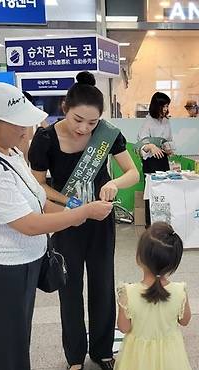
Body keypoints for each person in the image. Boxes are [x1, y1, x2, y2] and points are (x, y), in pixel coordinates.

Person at [0, 81, 113, 370]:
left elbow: (40, 200)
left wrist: (83, 212)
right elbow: (28, 224)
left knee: (19, 341)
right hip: (0, 270)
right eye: (19, 124)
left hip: (26, 262)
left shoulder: (12, 154)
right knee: (6, 347)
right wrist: (82, 214)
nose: (26, 130)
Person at [28, 71, 139, 370]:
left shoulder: (107, 134)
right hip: (66, 222)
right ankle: (74, 356)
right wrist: (71, 203)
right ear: (64, 107)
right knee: (70, 287)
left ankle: (102, 351)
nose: (84, 128)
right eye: (78, 120)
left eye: (91, 123)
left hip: (101, 219)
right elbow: (37, 185)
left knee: (103, 285)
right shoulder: (45, 138)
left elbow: (133, 173)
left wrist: (116, 184)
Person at [115, 222, 192, 370]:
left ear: (139, 258)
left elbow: (124, 328)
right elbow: (185, 321)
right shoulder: (179, 291)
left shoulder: (128, 293)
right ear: (173, 264)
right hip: (171, 355)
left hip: (137, 357)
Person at [137, 92, 174, 226]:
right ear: (155, 106)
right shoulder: (147, 123)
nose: (165, 109)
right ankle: (150, 225)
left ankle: (164, 223)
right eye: (163, 106)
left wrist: (168, 148)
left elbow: (169, 140)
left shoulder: (166, 121)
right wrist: (151, 146)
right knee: (151, 194)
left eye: (167, 106)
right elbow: (140, 147)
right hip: (151, 163)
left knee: (165, 192)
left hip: (163, 161)